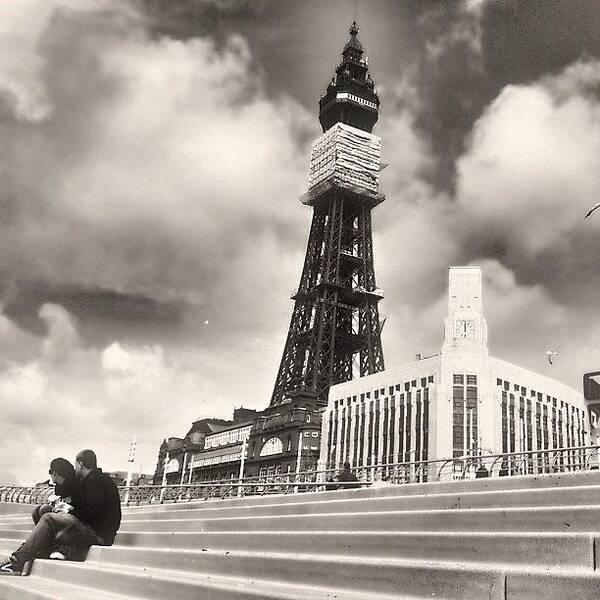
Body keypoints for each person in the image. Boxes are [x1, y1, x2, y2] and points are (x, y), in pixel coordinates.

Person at [0, 449, 122, 575]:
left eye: (76, 465)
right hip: (97, 531)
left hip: (99, 535)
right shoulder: (96, 480)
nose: (75, 468)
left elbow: (91, 513)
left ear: (80, 464)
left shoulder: (95, 481)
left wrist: (68, 511)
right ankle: (25, 556)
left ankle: (16, 562)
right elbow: (90, 510)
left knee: (48, 519)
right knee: (48, 519)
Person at [32, 458, 81, 526]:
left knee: (44, 509)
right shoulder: (58, 486)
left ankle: (49, 533)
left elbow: (75, 504)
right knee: (36, 510)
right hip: (64, 511)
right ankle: (42, 533)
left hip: (73, 514)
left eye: (50, 473)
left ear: (54, 473)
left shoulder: (75, 484)